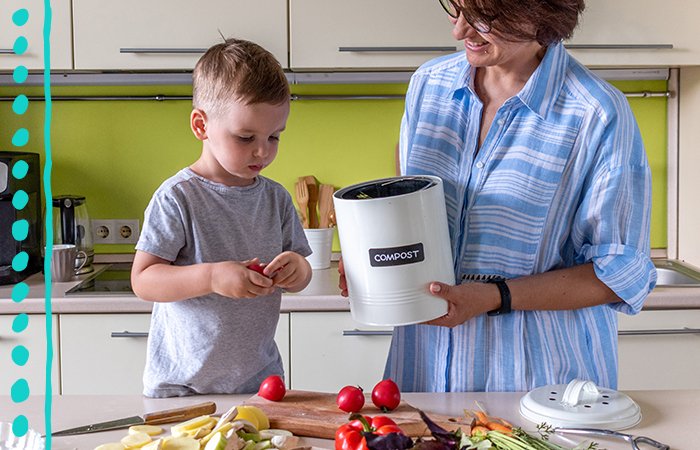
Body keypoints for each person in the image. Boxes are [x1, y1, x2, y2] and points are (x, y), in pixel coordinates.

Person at [340, 0, 657, 392]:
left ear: (540, 11)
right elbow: (412, 208)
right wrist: (379, 265)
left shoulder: (596, 113)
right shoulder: (429, 86)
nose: (459, 32)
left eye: (482, 19)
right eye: (455, 10)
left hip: (539, 387)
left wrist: (494, 296)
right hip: (423, 375)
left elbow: (618, 274)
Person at [131, 38, 312, 397]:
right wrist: (212, 276)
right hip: (182, 388)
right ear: (201, 125)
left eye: (274, 136)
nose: (263, 150)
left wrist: (298, 270)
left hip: (259, 384)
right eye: (246, 137)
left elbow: (301, 272)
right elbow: (144, 280)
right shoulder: (177, 197)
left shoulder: (275, 198)